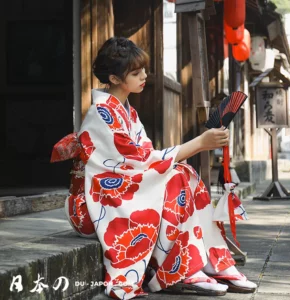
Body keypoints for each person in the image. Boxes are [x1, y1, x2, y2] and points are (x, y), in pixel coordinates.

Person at [51, 37, 257, 299]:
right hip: (95, 204)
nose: (144, 76)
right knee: (174, 178)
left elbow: (146, 159)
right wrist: (198, 144)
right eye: (136, 73)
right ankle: (182, 269)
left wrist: (193, 148)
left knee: (184, 174)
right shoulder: (102, 113)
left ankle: (211, 261)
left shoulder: (128, 113)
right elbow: (143, 162)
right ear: (114, 79)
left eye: (143, 70)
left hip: (120, 189)